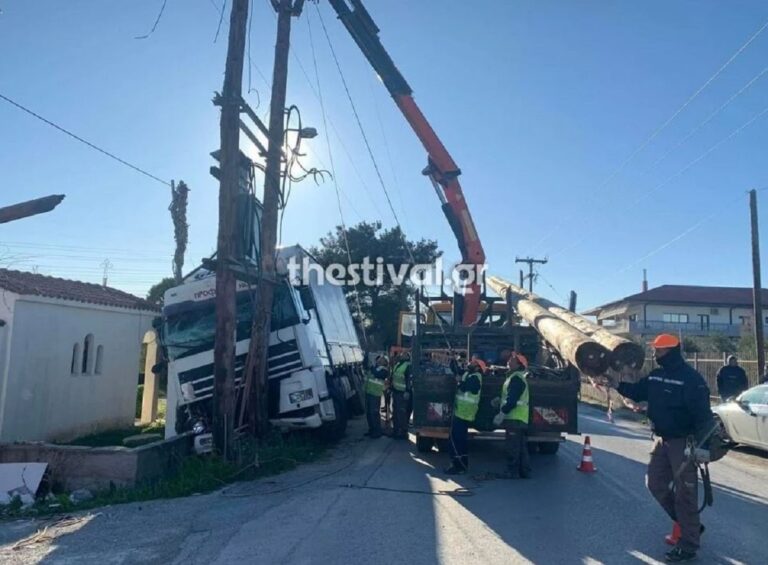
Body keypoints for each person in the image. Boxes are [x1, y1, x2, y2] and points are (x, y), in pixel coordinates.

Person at [607, 334, 715, 563]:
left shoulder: (691, 379)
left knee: (686, 495)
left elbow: (704, 416)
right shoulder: (656, 376)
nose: (655, 354)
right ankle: (691, 525)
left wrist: (702, 447)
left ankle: (688, 544)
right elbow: (637, 391)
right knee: (654, 483)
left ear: (671, 351)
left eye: (659, 350)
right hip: (661, 440)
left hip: (683, 443)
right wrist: (615, 384)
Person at [493, 352, 531, 479]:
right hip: (519, 418)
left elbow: (512, 400)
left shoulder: (516, 378)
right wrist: (500, 400)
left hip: (515, 418)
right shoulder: (516, 377)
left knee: (513, 447)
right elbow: (510, 396)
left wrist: (502, 412)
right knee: (521, 446)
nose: (508, 361)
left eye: (512, 360)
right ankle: (524, 472)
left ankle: (512, 472)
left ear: (518, 364)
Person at [445, 358, 483, 475]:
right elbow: (456, 370)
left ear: (478, 367)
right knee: (456, 439)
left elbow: (465, 387)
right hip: (460, 412)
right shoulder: (468, 374)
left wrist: (459, 382)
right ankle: (458, 463)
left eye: (473, 362)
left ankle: (460, 465)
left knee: (458, 440)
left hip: (465, 413)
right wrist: (452, 359)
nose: (469, 363)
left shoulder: (476, 377)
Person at [364, 356, 388, 439]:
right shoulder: (375, 367)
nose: (379, 360)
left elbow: (377, 375)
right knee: (369, 413)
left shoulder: (384, 370)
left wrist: (372, 367)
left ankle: (377, 431)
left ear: (385, 362)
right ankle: (371, 429)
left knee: (374, 413)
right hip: (368, 392)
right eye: (379, 358)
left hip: (375, 394)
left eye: (382, 359)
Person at [391, 352, 412, 440]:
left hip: (402, 393)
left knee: (402, 413)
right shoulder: (398, 364)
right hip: (395, 392)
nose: (401, 355)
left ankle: (403, 432)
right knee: (395, 412)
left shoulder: (408, 365)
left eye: (404, 354)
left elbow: (409, 379)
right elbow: (394, 376)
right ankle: (396, 430)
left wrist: (407, 391)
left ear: (407, 357)